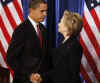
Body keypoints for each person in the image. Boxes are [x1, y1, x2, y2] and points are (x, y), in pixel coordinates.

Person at [6, 0, 52, 83]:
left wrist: (44, 77)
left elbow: (46, 58)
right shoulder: (21, 30)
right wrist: (29, 75)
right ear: (31, 10)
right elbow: (10, 58)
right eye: (42, 11)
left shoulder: (44, 30)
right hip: (24, 80)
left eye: (46, 11)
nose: (45, 14)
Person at [50, 10, 83, 83]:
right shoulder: (66, 43)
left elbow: (73, 75)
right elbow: (59, 69)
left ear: (67, 27)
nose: (58, 24)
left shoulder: (75, 46)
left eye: (61, 22)